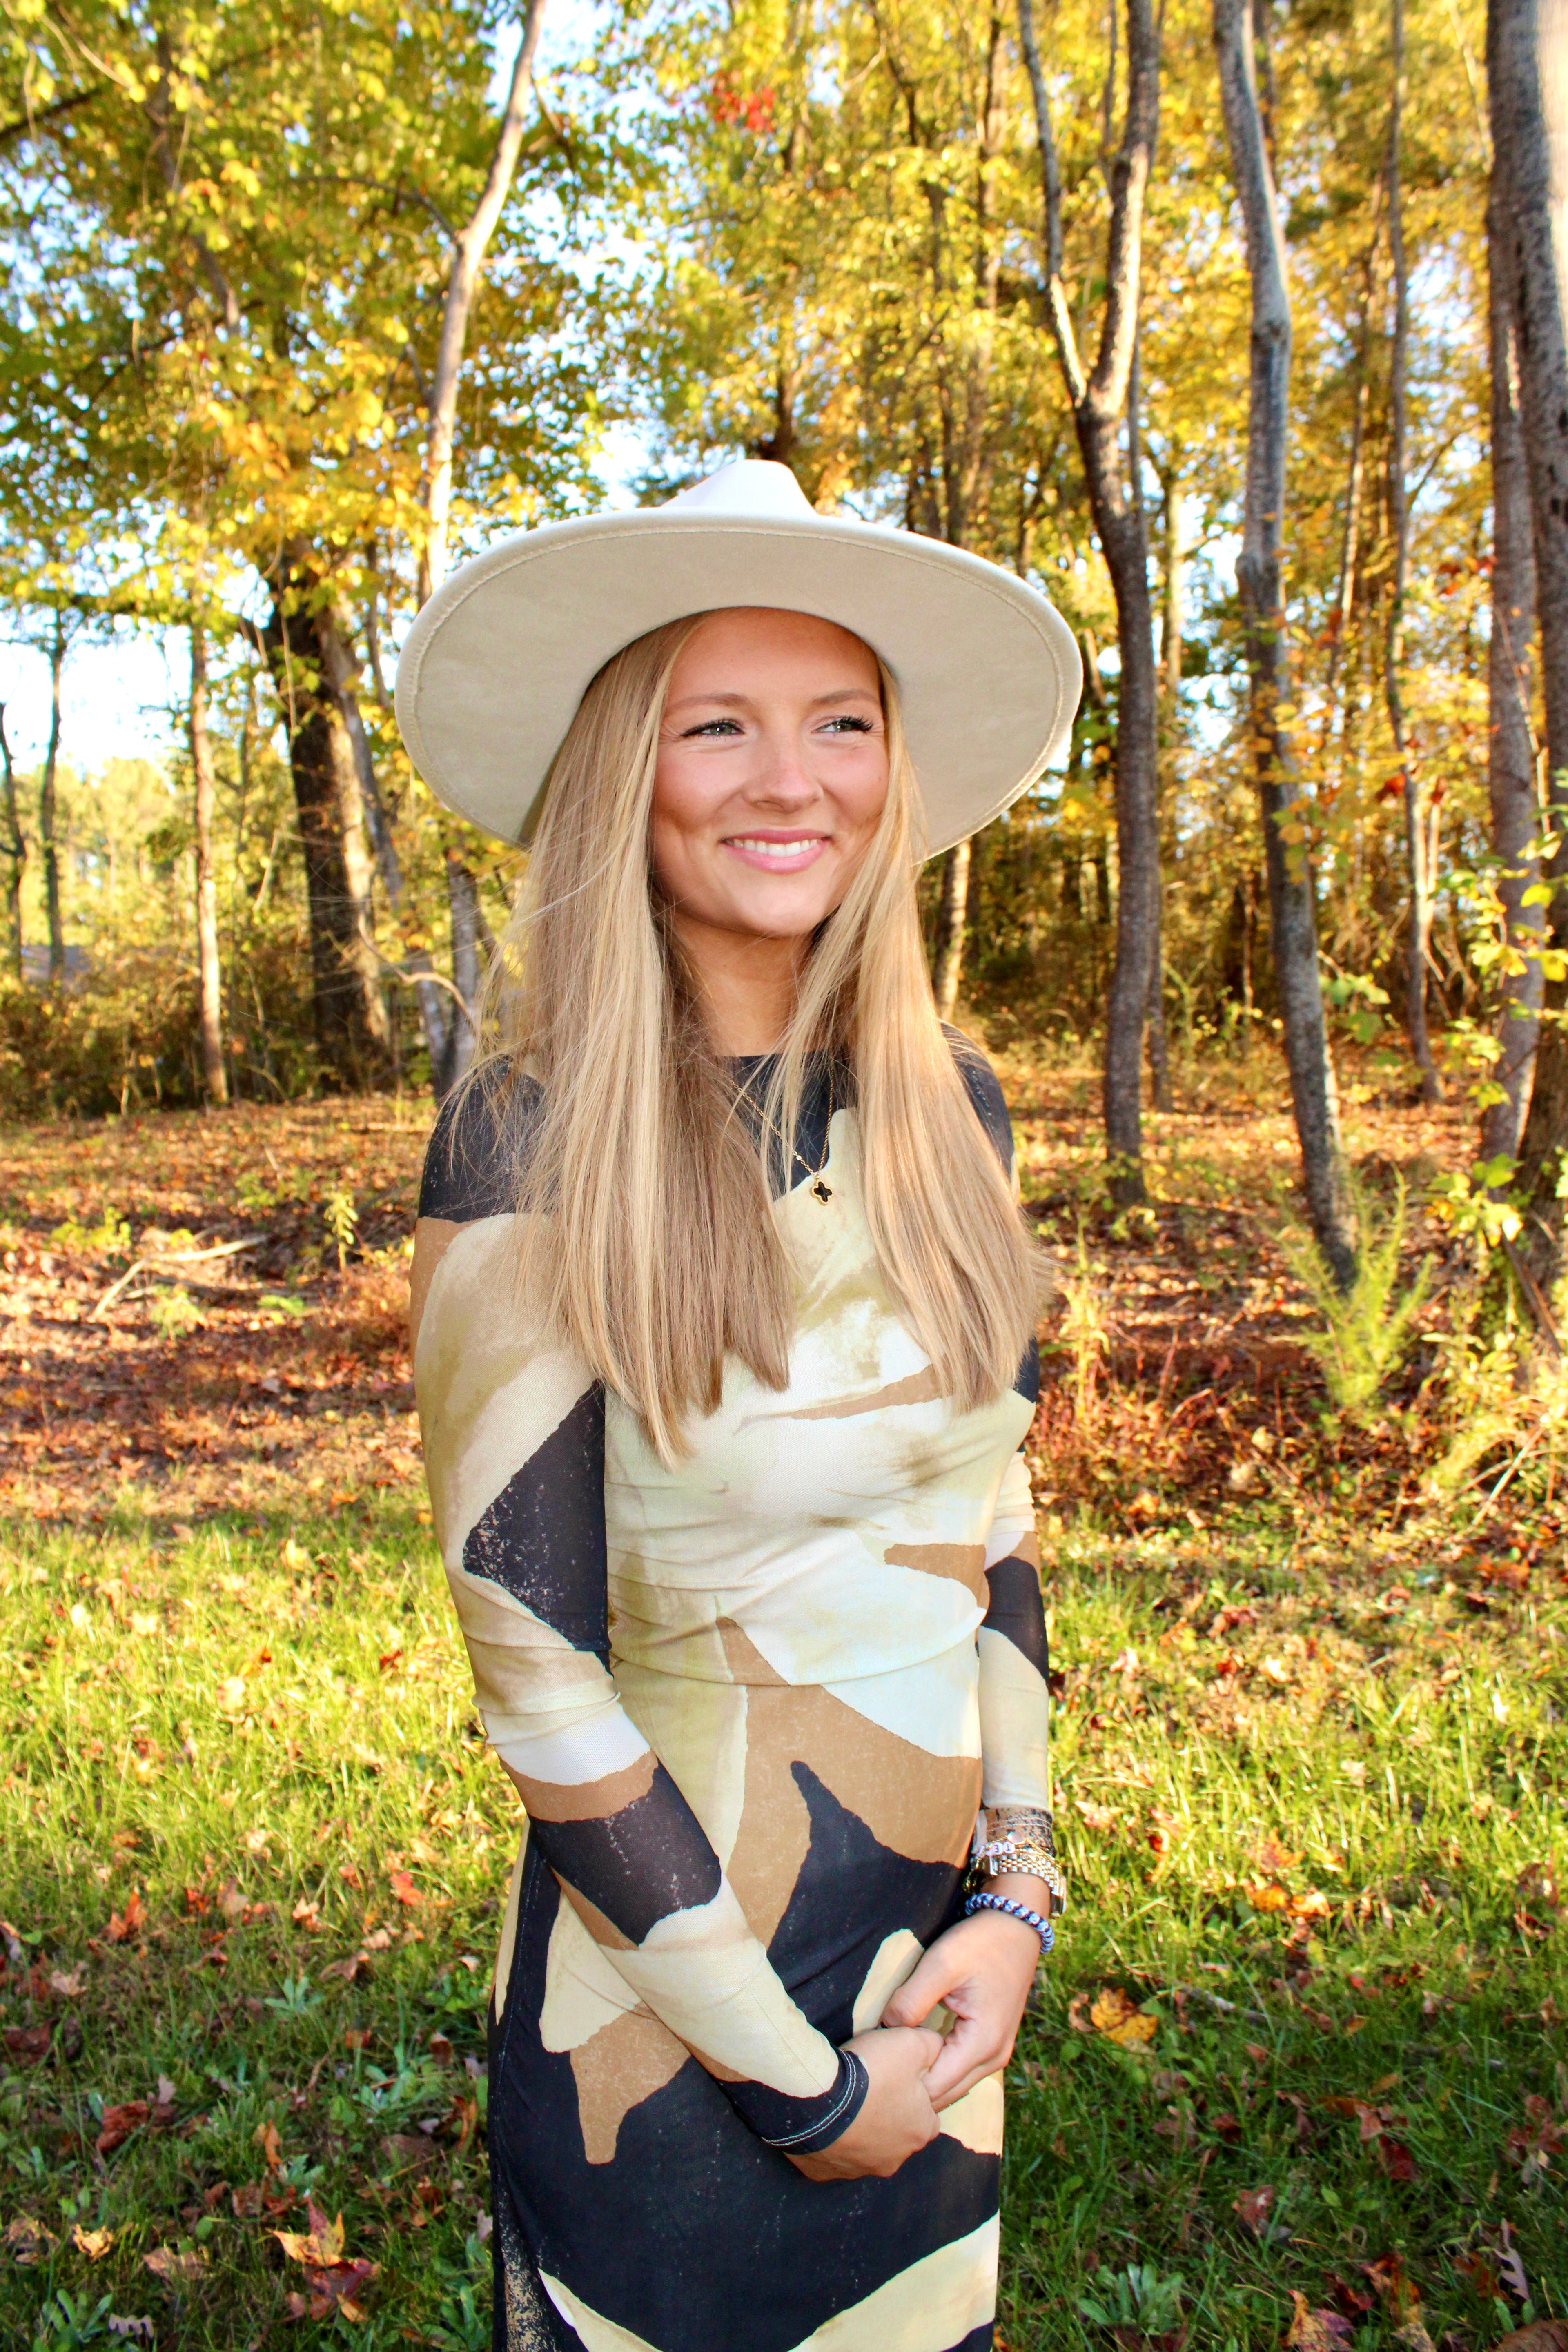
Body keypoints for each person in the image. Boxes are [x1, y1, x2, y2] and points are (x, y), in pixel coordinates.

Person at [401, 461, 1081, 2352]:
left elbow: (994, 1527)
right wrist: (796, 2087)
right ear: (632, 772)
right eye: (722, 725)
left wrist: (1013, 1904)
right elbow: (532, 1663)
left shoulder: (953, 1099)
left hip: (931, 1998)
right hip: (673, 2036)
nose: (794, 781)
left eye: (841, 722)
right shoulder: (530, 1134)